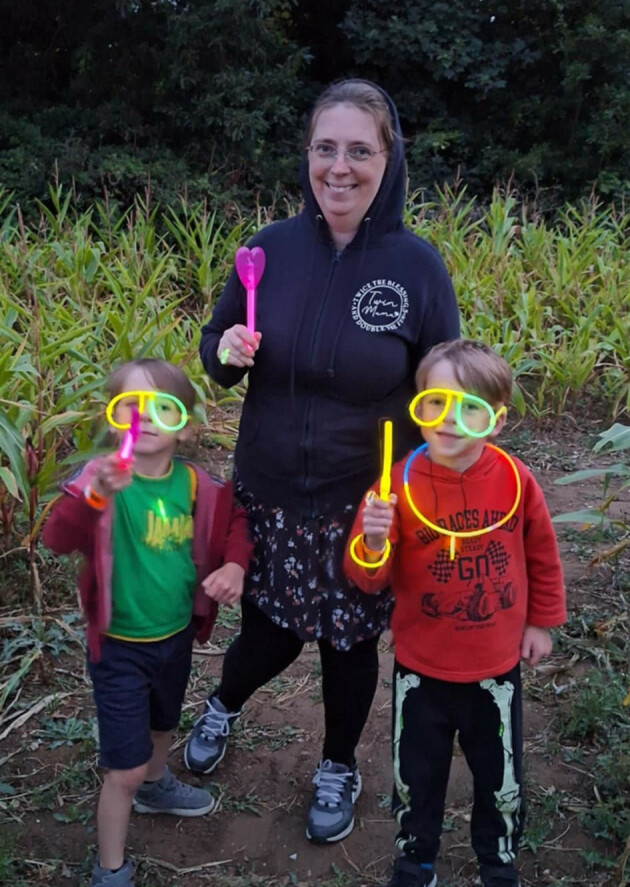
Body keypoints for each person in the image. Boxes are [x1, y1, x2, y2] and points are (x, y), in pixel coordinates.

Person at [184, 78, 460, 844]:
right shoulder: (267, 251)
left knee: (348, 643)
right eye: (325, 148)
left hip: (362, 500)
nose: (340, 167)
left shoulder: (416, 267)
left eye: (360, 150)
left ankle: (339, 761)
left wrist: (427, 485)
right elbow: (216, 351)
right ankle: (224, 703)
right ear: (308, 154)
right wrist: (227, 351)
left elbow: (444, 384)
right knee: (268, 632)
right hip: (269, 490)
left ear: (389, 158)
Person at [343, 339, 566, 887]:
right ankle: (416, 858)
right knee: (416, 776)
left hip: (496, 668)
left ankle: (498, 860)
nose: (450, 419)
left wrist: (540, 622)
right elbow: (366, 577)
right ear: (417, 407)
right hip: (421, 667)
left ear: (497, 420)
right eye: (436, 402)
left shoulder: (516, 481)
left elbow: (542, 554)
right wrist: (373, 540)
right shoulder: (393, 486)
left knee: (500, 775)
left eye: (470, 406)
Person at [42, 358, 252, 887]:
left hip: (176, 634)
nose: (146, 416)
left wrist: (234, 564)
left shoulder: (198, 486)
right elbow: (58, 539)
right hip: (118, 646)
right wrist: (95, 498)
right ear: (114, 418)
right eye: (131, 405)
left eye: (163, 406)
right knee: (123, 769)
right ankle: (110, 866)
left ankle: (157, 784)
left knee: (164, 722)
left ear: (186, 423)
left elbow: (235, 525)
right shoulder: (101, 479)